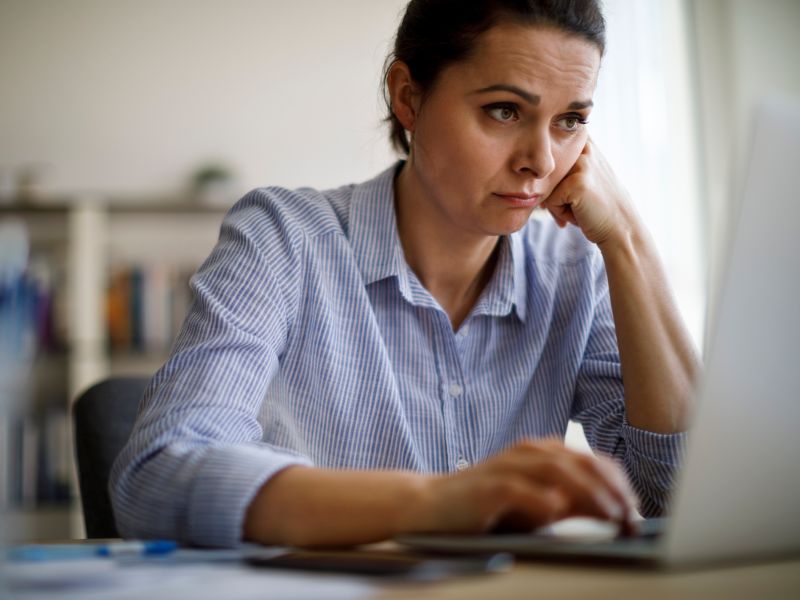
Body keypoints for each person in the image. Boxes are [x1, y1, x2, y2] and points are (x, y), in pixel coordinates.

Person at [110, 0, 700, 549]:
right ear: (408, 98)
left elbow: (677, 495)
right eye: (504, 110)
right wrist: (436, 502)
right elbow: (158, 473)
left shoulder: (574, 270)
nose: (541, 161)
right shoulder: (284, 239)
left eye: (570, 120)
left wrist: (628, 241)